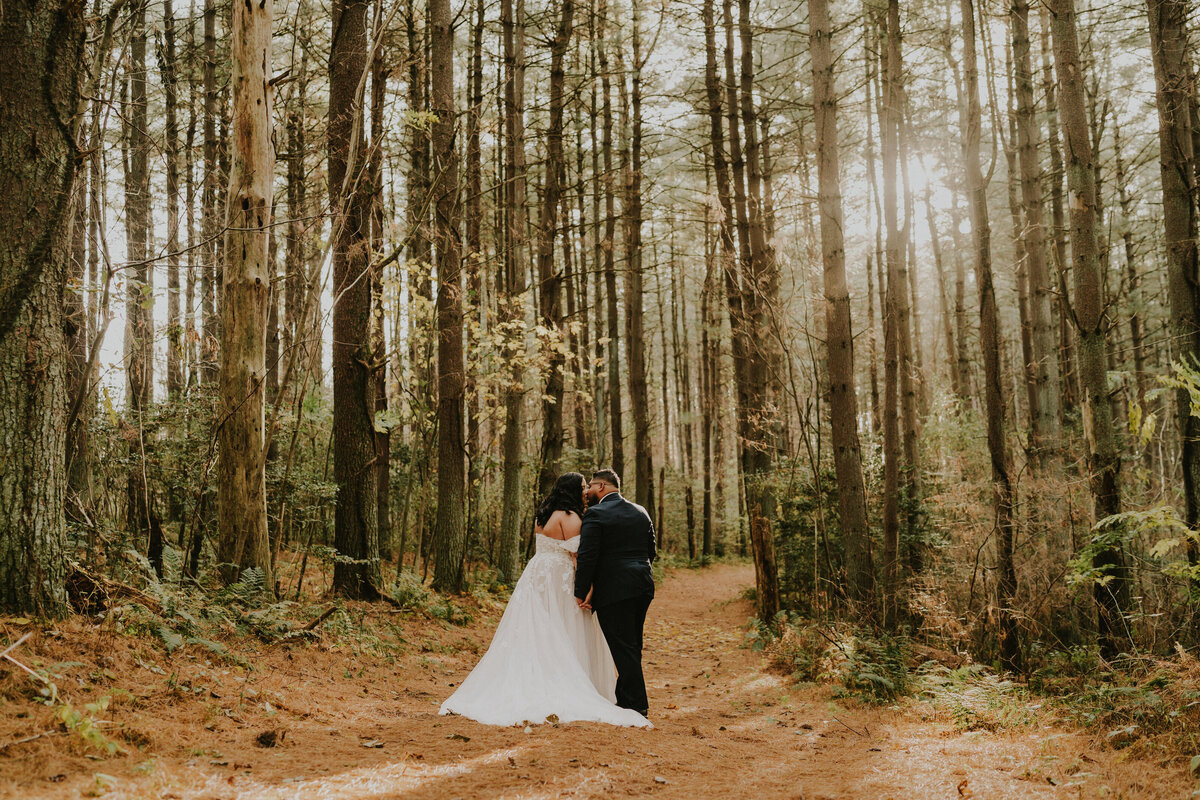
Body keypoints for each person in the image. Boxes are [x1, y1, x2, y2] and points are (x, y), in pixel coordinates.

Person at [439, 472, 650, 728]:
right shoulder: (573, 517)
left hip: (538, 576)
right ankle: (582, 685)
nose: (585, 492)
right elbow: (578, 555)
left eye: (588, 486)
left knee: (537, 631)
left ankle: (529, 679)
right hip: (563, 577)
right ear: (573, 490)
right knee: (565, 631)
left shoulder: (543, 515)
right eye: (582, 487)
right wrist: (586, 590)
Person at [574, 469, 656, 717]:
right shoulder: (641, 511)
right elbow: (651, 549)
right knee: (631, 643)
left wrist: (581, 590)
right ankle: (626, 698)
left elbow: (588, 556)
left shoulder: (596, 514)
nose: (587, 491)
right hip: (642, 583)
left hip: (614, 588)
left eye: (589, 486)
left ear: (600, 486)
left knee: (622, 645)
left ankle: (637, 704)